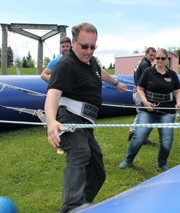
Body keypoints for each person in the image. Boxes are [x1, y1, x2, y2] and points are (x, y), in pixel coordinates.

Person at [45, 23, 127, 213]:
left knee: (97, 172)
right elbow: (53, 95)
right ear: (73, 42)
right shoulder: (66, 64)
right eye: (84, 46)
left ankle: (83, 205)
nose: (88, 51)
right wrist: (51, 121)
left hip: (86, 124)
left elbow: (100, 73)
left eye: (93, 47)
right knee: (80, 153)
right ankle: (72, 208)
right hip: (69, 120)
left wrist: (116, 83)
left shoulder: (91, 62)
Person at [119, 48, 180, 171]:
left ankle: (162, 163)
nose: (159, 60)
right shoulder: (148, 71)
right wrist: (145, 102)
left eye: (162, 58)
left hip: (166, 110)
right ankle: (128, 160)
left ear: (166, 59)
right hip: (148, 109)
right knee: (139, 136)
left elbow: (178, 90)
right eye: (157, 58)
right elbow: (140, 89)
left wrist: (179, 102)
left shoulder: (172, 74)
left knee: (167, 139)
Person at [41, 37, 71, 155]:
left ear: (71, 46)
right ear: (60, 47)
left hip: (71, 95)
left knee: (70, 118)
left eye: (67, 46)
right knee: (59, 118)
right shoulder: (56, 60)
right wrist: (55, 83)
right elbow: (44, 75)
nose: (65, 48)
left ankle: (70, 142)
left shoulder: (75, 60)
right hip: (59, 96)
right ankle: (60, 145)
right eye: (63, 46)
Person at [127, 47, 157, 145]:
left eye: (154, 56)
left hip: (136, 91)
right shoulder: (146, 65)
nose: (153, 57)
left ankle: (132, 133)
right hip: (140, 93)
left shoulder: (141, 62)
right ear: (146, 54)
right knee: (144, 115)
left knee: (140, 114)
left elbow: (133, 75)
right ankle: (141, 137)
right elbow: (148, 80)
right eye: (151, 55)